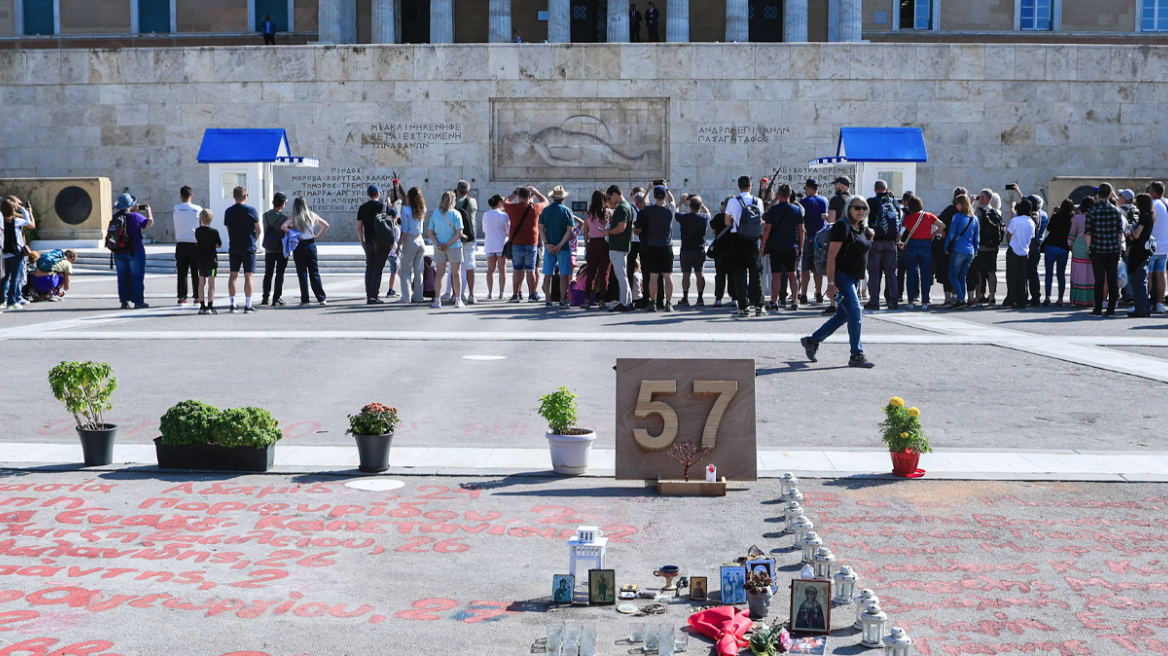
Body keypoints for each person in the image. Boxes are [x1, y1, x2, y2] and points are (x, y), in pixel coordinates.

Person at [801, 196, 875, 368]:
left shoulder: (863, 228)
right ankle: (856, 355)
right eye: (856, 207)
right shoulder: (842, 226)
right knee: (856, 313)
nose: (861, 211)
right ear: (849, 208)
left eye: (864, 208)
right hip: (842, 277)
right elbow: (832, 256)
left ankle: (812, 340)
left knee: (843, 314)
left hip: (855, 278)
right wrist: (832, 284)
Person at [725, 176, 765, 317]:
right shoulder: (758, 201)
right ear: (750, 186)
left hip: (738, 239)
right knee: (756, 275)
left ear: (739, 186)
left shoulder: (733, 202)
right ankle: (759, 306)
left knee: (739, 275)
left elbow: (726, 221)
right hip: (753, 241)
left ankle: (743, 307)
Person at [760, 183, 803, 311]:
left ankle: (774, 301)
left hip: (776, 246)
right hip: (792, 246)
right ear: (790, 195)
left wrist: (763, 245)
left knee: (776, 275)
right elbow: (802, 230)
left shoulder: (773, 210)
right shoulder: (797, 210)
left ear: (778, 194)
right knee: (792, 274)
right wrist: (801, 246)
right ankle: (795, 300)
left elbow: (767, 229)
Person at [1085, 184, 1124, 317]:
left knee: (1099, 279)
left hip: (1097, 248)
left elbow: (1088, 232)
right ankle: (1111, 308)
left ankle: (1098, 307)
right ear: (1109, 194)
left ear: (1098, 194)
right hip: (1113, 248)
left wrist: (1089, 247)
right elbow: (1120, 232)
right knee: (1112, 279)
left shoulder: (1092, 211)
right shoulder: (1115, 210)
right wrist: (1118, 247)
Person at [634, 185, 676, 313]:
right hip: (667, 246)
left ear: (654, 196)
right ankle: (668, 303)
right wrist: (667, 187)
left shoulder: (649, 210)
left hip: (653, 245)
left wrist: (648, 188)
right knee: (668, 276)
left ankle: (653, 302)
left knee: (653, 276)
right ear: (666, 196)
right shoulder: (670, 209)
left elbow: (645, 201)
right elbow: (673, 201)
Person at [282, 197, 330, 306]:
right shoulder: (312, 215)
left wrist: (294, 233)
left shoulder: (295, 217)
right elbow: (326, 225)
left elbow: (283, 226)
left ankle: (305, 299)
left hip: (300, 244)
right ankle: (321, 298)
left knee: (302, 272)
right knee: (314, 271)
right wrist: (317, 236)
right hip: (311, 244)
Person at [900, 196, 944, 310]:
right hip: (926, 245)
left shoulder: (908, 218)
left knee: (911, 274)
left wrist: (899, 241)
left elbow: (901, 231)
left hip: (912, 245)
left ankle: (910, 301)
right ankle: (925, 302)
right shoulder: (928, 216)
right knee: (925, 274)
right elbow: (942, 225)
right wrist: (934, 233)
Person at [504, 186, 547, 303]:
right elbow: (546, 202)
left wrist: (514, 191)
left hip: (516, 242)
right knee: (530, 270)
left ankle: (515, 295)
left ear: (519, 196)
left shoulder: (513, 208)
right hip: (532, 242)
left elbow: (505, 201)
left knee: (517, 270)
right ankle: (532, 295)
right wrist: (536, 192)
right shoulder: (535, 207)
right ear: (530, 196)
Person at [111, 193, 153, 309]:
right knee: (136, 277)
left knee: (123, 277)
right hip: (135, 251)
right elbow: (148, 223)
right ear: (131, 205)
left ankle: (124, 301)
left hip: (119, 251)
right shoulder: (135, 216)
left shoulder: (115, 217)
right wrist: (148, 212)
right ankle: (138, 302)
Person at [223, 186, 262, 313]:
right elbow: (259, 229)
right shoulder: (251, 210)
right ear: (245, 196)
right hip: (248, 246)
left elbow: (228, 228)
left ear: (234, 197)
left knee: (233, 275)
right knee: (248, 276)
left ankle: (232, 304)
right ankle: (248, 304)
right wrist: (253, 240)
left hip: (234, 245)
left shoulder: (228, 211)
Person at [866, 180, 903, 310]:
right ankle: (893, 300)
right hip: (891, 242)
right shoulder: (894, 202)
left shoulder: (871, 202)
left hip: (875, 241)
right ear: (886, 189)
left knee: (874, 273)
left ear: (875, 189)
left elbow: (867, 221)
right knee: (891, 273)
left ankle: (874, 302)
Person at [538, 186, 576, 310]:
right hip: (563, 247)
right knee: (564, 274)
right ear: (564, 197)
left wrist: (547, 243)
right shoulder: (567, 211)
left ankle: (548, 300)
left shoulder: (546, 210)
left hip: (549, 246)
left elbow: (541, 229)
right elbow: (569, 231)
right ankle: (562, 300)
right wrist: (560, 245)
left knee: (547, 274)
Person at [427, 191, 465, 309]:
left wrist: (439, 244)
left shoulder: (435, 214)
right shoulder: (456, 214)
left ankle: (437, 300)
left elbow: (430, 232)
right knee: (455, 273)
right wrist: (447, 244)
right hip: (454, 246)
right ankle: (458, 299)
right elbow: (459, 233)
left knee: (440, 273)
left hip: (439, 247)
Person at [944, 194, 979, 309]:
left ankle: (960, 299)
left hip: (958, 249)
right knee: (962, 277)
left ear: (961, 204)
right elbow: (976, 237)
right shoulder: (975, 218)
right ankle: (962, 299)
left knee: (953, 276)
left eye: (957, 203)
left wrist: (946, 246)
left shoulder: (957, 217)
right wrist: (975, 250)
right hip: (970, 251)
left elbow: (951, 234)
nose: (956, 206)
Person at [358, 185, 391, 305]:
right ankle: (374, 295)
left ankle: (369, 295)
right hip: (382, 242)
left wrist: (362, 242)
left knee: (370, 268)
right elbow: (395, 216)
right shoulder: (384, 206)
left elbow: (358, 228)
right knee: (377, 269)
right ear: (378, 194)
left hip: (369, 242)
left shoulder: (362, 208)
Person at [603, 185, 634, 313]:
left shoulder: (621, 208)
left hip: (618, 247)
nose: (609, 201)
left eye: (609, 197)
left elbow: (621, 227)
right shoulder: (626, 206)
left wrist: (608, 232)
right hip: (622, 246)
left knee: (621, 276)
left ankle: (623, 302)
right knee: (623, 275)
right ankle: (628, 301)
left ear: (615, 194)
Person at [676, 195, 711, 307]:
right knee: (700, 274)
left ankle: (685, 298)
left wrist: (681, 202)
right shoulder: (703, 218)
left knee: (686, 275)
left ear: (690, 206)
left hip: (686, 249)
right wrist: (701, 203)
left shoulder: (684, 217)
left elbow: (675, 212)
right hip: (699, 250)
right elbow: (709, 214)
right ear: (699, 207)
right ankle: (700, 298)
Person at [971, 190, 1003, 306]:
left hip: (981, 246)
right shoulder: (996, 212)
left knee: (979, 271)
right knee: (991, 272)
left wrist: (972, 202)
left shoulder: (979, 212)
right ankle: (992, 296)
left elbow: (971, 221)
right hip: (993, 247)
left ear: (983, 197)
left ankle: (978, 295)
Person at [799, 179, 828, 305]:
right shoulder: (824, 201)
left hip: (808, 237)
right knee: (818, 267)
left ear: (808, 189)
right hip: (821, 238)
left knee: (805, 267)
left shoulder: (803, 202)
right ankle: (819, 293)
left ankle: (804, 294)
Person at [935, 187, 966, 306]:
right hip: (963, 246)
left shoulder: (950, 210)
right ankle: (959, 297)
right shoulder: (969, 213)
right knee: (960, 274)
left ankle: (948, 298)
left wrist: (942, 232)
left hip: (949, 245)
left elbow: (940, 222)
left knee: (947, 271)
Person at [1041, 199, 1075, 306]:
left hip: (1051, 245)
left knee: (1049, 273)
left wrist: (1053, 214)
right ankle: (1060, 298)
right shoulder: (1071, 219)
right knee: (1061, 274)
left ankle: (1047, 296)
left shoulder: (1056, 216)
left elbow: (1049, 228)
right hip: (1063, 247)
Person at [582, 190, 612, 309]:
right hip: (605, 243)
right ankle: (602, 301)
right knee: (604, 273)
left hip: (593, 243)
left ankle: (587, 299)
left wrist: (586, 245)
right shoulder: (608, 213)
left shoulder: (589, 214)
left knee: (591, 273)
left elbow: (585, 232)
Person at [1005, 198, 1036, 310]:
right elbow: (1032, 238)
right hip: (1024, 251)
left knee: (1011, 276)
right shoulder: (1031, 222)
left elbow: (1009, 235)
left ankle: (1010, 299)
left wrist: (1010, 243)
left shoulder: (1015, 220)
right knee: (1022, 277)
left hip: (1014, 249)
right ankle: (1021, 300)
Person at [173, 186, 202, 306]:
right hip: (194, 242)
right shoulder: (198, 209)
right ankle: (197, 296)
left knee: (182, 272)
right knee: (196, 272)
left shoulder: (176, 208)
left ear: (181, 196)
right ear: (192, 196)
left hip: (181, 242)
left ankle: (182, 297)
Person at [1, 198, 32, 310]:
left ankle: (1, 300)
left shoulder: (1, 221)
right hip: (16, 253)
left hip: (4, 253)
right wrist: (23, 209)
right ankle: (12, 301)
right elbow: (28, 221)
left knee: (4, 278)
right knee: (15, 278)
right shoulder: (15, 221)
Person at [1129, 193, 1156, 318]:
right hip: (1145, 250)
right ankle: (1144, 307)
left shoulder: (1143, 217)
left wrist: (1130, 229)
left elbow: (1136, 235)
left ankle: (1140, 309)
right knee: (1142, 280)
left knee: (1138, 281)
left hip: (1139, 252)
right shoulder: (1150, 216)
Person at [398, 187, 427, 304]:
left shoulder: (405, 210)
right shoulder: (423, 209)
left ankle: (406, 297)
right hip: (420, 239)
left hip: (410, 239)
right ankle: (418, 296)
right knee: (418, 271)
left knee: (405, 271)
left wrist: (400, 243)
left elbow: (404, 229)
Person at [261, 192, 289, 306]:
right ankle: (276, 298)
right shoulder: (284, 218)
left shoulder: (265, 215)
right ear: (282, 204)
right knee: (279, 273)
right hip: (280, 248)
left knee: (268, 273)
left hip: (269, 248)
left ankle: (265, 297)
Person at [1068, 196, 1096, 308]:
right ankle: (1090, 299)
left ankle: (1078, 299)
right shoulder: (1096, 217)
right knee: (1091, 273)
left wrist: (1070, 244)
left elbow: (1072, 234)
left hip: (1079, 246)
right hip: (1093, 246)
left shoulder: (1078, 218)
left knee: (1078, 273)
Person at [455, 181, 479, 304]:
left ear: (457, 190)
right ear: (468, 191)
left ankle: (456, 294)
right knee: (470, 267)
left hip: (455, 237)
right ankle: (471, 294)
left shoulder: (452, 202)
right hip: (469, 237)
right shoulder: (472, 202)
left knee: (456, 267)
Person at [482, 194, 510, 300]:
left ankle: (490, 292)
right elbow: (508, 231)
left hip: (489, 243)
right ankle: (501, 293)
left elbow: (484, 229)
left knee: (490, 270)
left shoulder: (486, 214)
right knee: (502, 269)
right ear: (499, 203)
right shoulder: (504, 215)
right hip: (501, 244)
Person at [195, 208, 222, 314]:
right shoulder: (214, 232)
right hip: (211, 260)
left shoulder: (197, 231)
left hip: (200, 259)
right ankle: (210, 305)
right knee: (211, 284)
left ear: (200, 218)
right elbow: (219, 244)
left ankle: (202, 305)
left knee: (201, 283)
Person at [1147, 181, 1168, 313]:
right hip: (1164, 246)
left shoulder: (1153, 205)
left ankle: (1144, 302)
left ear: (1153, 192)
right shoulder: (1166, 203)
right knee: (1161, 274)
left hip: (1152, 246)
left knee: (1148, 275)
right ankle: (1160, 303)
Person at [709, 197, 733, 308]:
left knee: (720, 276)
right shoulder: (735, 217)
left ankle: (718, 298)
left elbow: (712, 225)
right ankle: (735, 298)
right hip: (732, 251)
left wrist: (722, 212)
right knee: (732, 275)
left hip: (719, 251)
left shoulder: (719, 217)